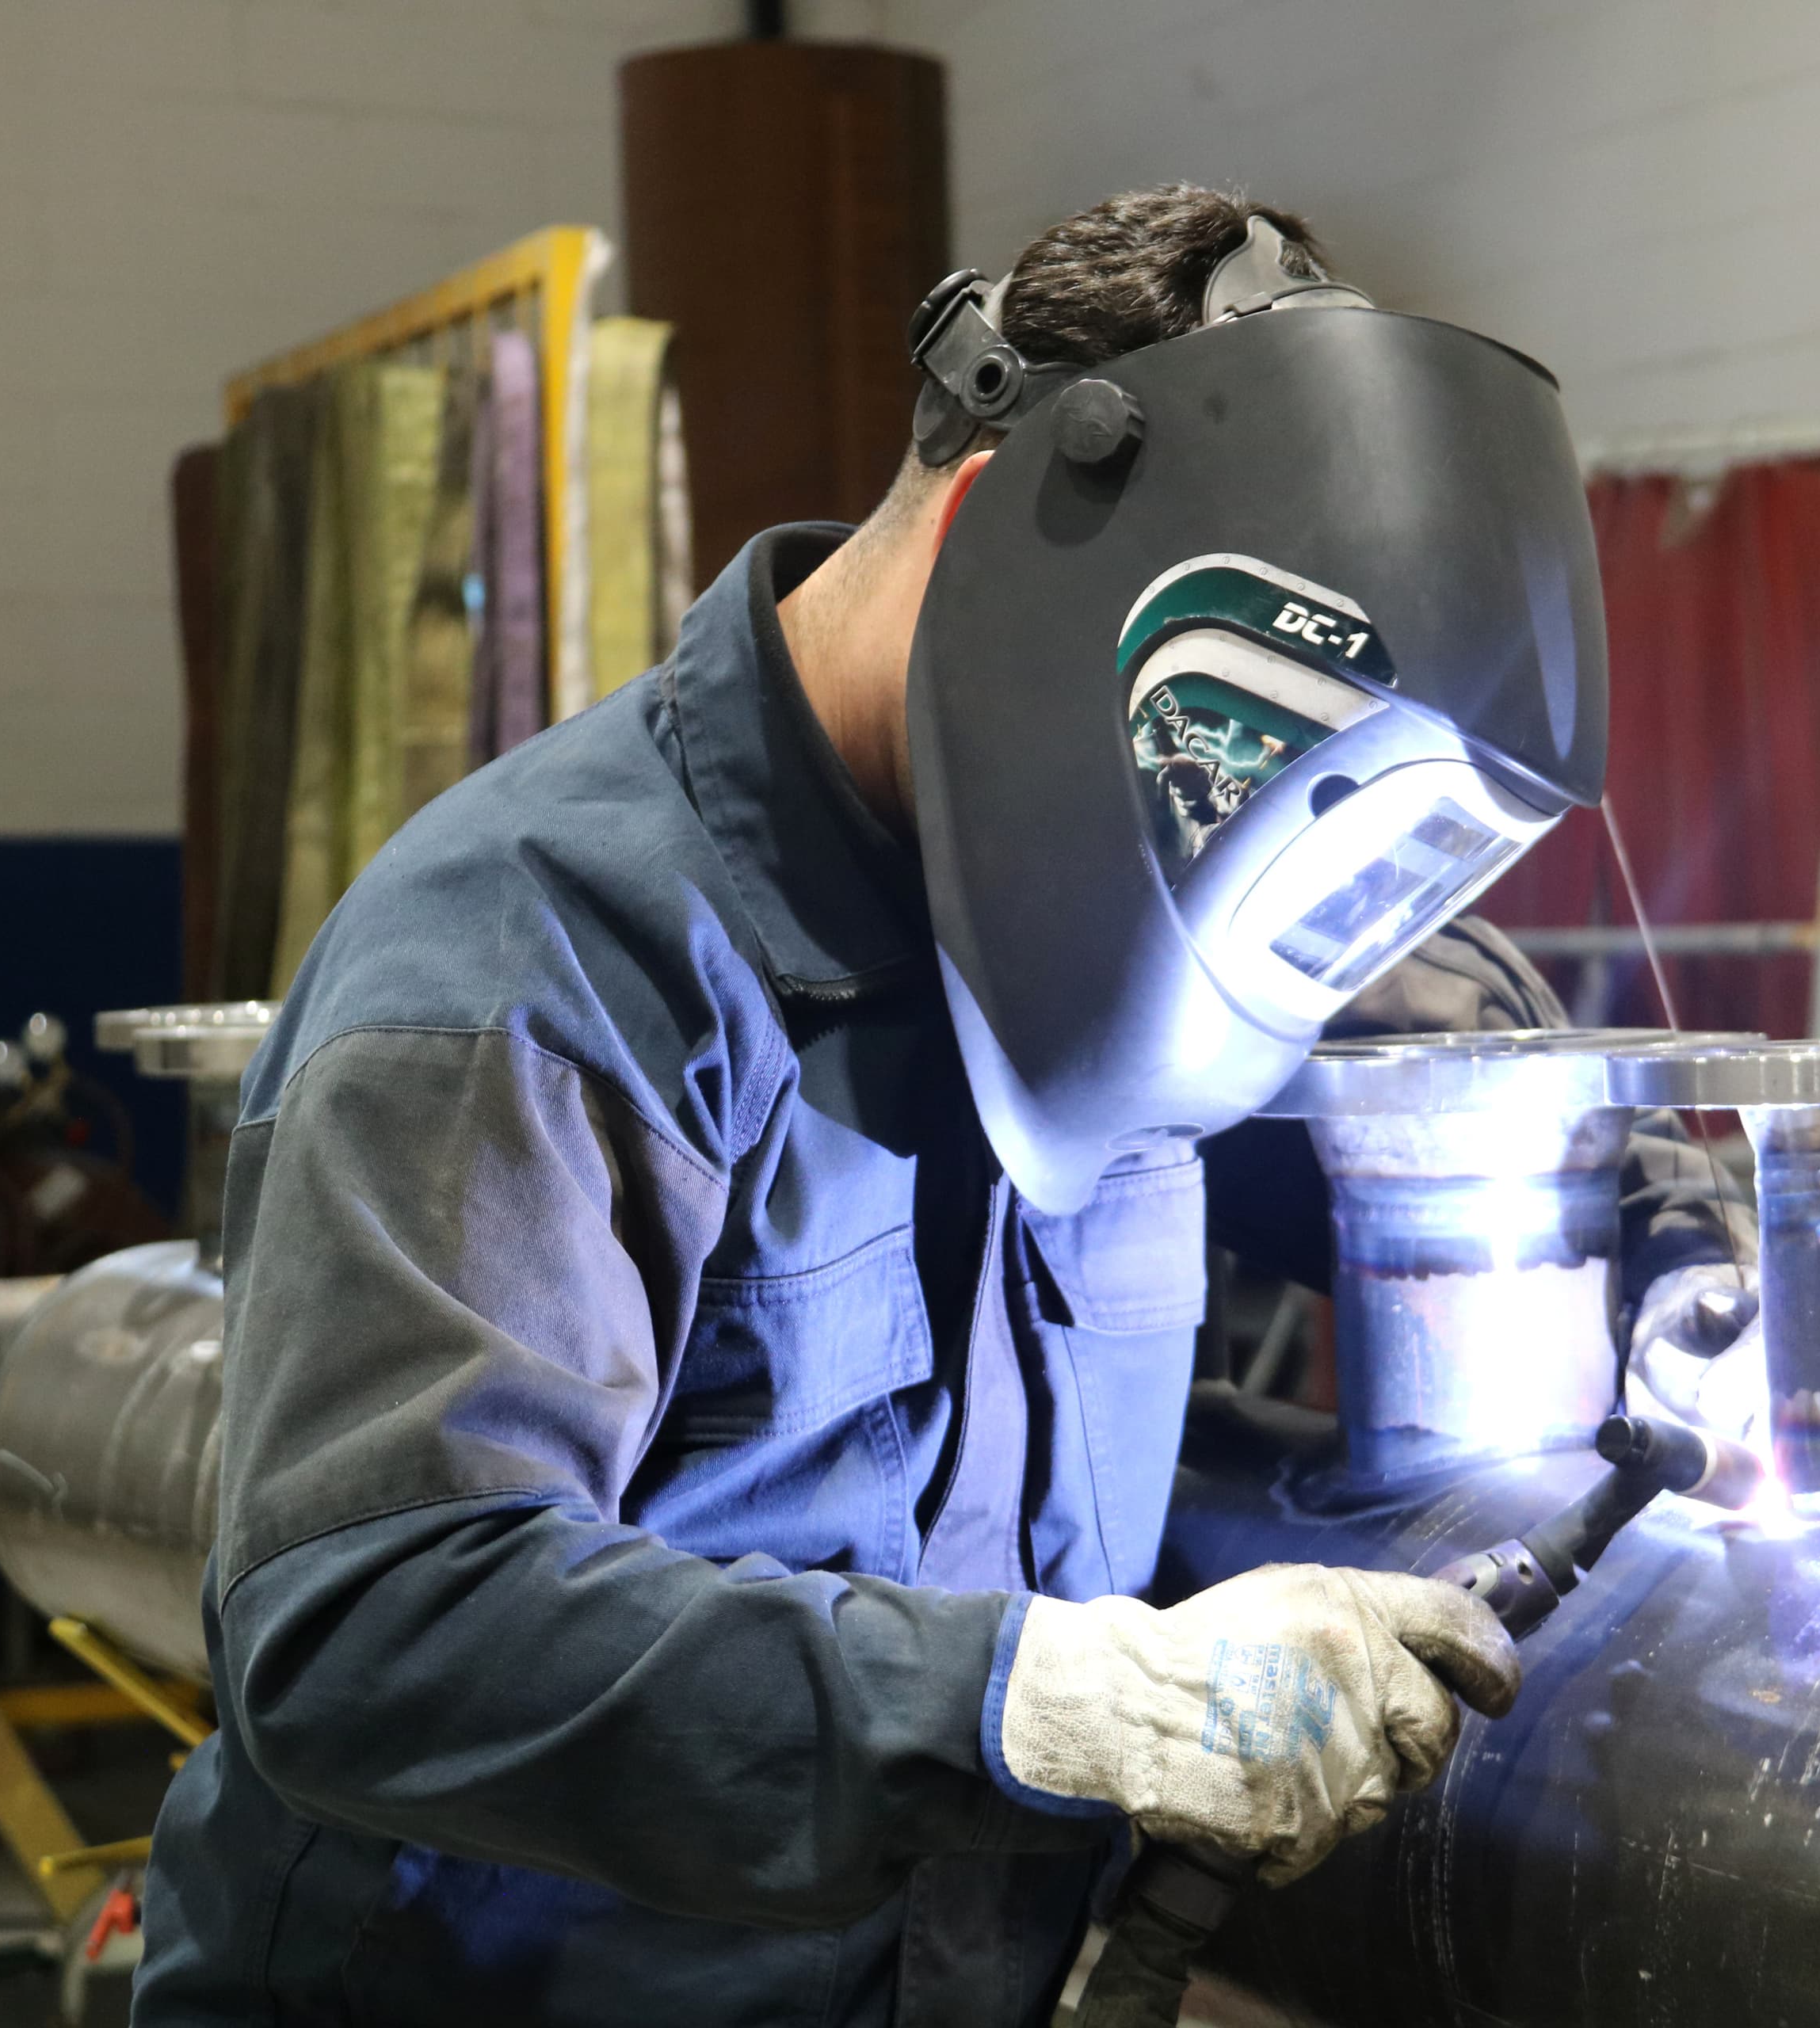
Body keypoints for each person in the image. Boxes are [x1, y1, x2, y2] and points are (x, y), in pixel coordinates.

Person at [135, 185, 1738, 2028]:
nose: (1220, 844)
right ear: (1000, 548)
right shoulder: (537, 959)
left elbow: (1403, 1023)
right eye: (1209, 747)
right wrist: (1052, 1700)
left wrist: (1646, 1195)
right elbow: (373, 1630)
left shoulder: (1107, 893)